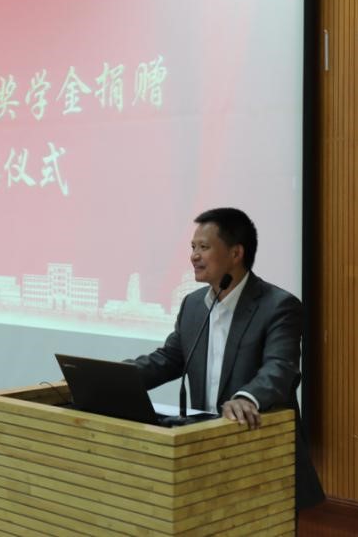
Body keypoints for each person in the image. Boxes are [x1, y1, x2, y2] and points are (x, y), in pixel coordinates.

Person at [131, 207, 325, 511]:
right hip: (206, 452)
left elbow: (280, 368)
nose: (194, 256)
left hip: (259, 455)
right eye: (192, 247)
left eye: (204, 247)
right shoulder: (194, 305)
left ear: (236, 253)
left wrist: (247, 397)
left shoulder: (278, 306)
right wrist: (114, 376)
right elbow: (168, 359)